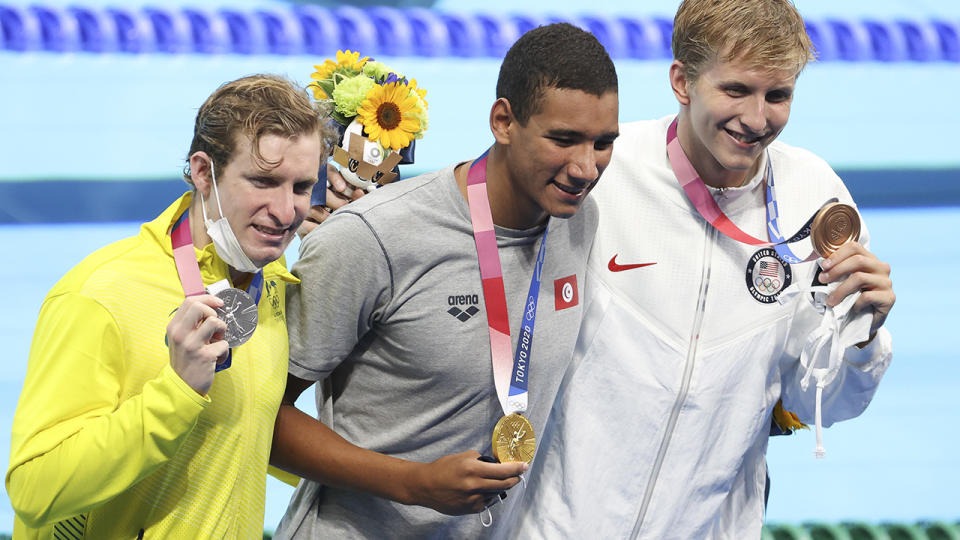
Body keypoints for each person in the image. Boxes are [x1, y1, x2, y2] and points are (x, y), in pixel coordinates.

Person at [516, 1, 896, 538]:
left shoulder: (815, 195)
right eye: (736, 90)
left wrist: (863, 335)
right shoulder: (602, 169)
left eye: (778, 95)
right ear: (682, 81)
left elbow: (824, 404)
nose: (758, 119)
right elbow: (480, 236)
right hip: (554, 524)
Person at [269, 23, 619, 538]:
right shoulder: (375, 237)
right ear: (503, 121)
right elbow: (260, 412)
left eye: (603, 143)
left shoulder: (577, 222)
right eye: (563, 140)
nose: (586, 168)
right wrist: (413, 483)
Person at [6, 74, 336, 538]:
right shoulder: (101, 292)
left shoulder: (276, 288)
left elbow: (243, 437)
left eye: (301, 187)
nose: (286, 212)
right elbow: (34, 491)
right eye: (263, 181)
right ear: (204, 172)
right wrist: (175, 393)